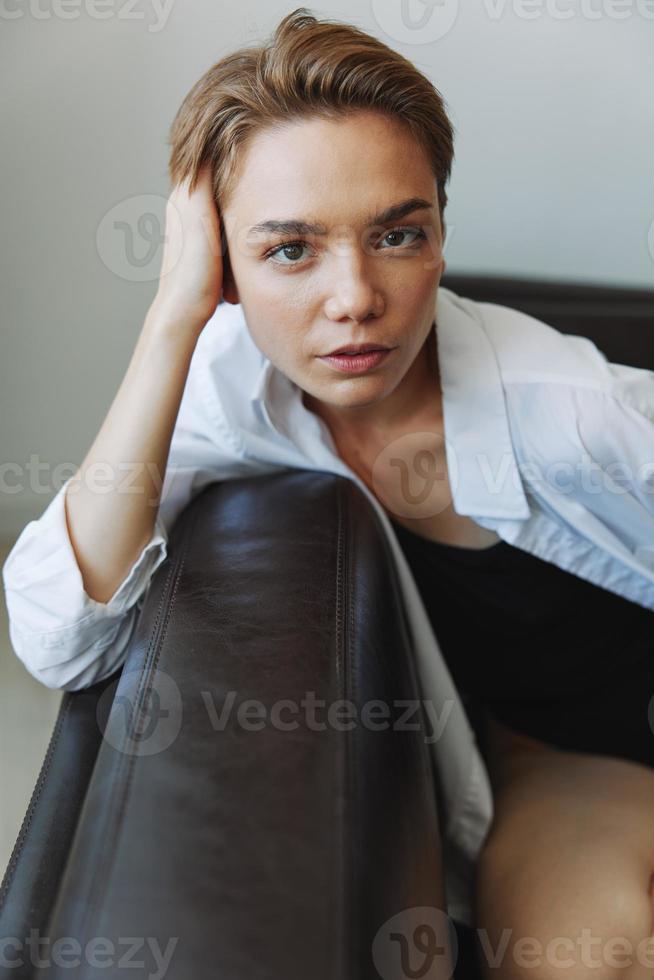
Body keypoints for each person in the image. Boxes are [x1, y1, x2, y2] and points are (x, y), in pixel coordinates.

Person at [4, 7, 654, 976]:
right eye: (290, 249)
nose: (354, 295)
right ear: (222, 260)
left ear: (438, 232)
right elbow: (58, 629)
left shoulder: (573, 413)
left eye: (396, 234)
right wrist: (173, 315)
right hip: (561, 764)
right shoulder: (234, 382)